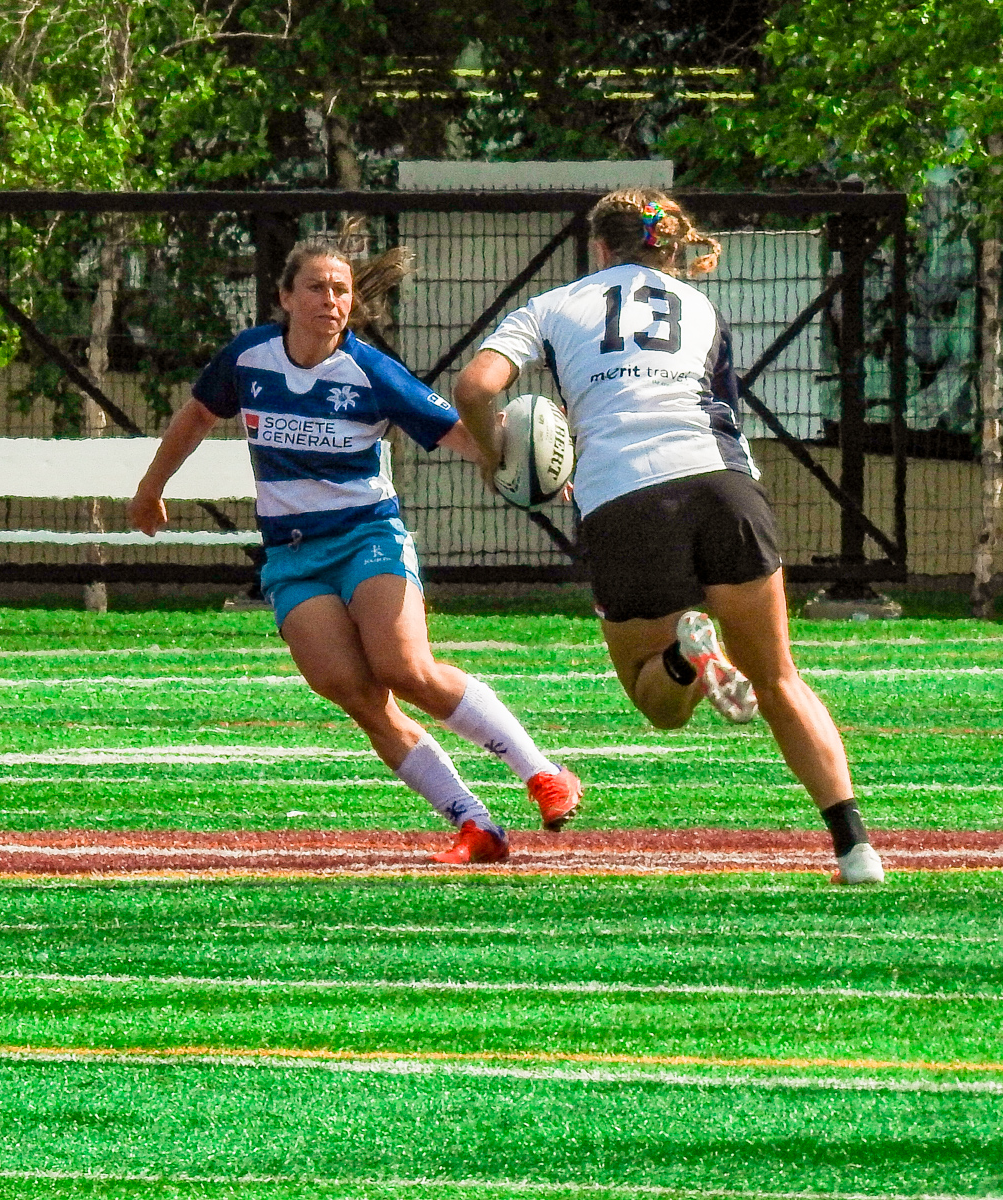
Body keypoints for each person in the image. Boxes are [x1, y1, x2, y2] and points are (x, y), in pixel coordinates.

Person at [453, 188, 885, 885]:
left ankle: (687, 659)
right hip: (722, 486)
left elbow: (474, 388)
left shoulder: (555, 305)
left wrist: (490, 458)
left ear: (599, 249)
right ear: (670, 246)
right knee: (778, 678)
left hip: (623, 499)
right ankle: (855, 847)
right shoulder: (703, 307)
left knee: (657, 702)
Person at [129, 233, 582, 864]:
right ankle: (474, 824)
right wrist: (151, 488)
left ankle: (542, 773)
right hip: (291, 555)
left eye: (340, 289)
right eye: (315, 287)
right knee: (358, 695)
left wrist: (525, 465)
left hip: (367, 536)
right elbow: (197, 416)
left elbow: (456, 431)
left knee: (404, 668)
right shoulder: (249, 357)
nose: (330, 299)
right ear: (285, 296)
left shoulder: (371, 371)